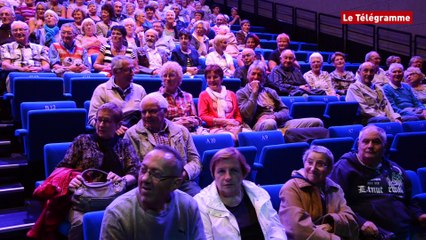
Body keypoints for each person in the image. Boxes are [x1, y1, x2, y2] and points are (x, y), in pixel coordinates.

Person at [58, 102, 140, 240]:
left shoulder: (124, 144)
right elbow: (61, 168)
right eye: (99, 120)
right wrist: (72, 179)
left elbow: (136, 171)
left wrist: (123, 179)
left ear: (118, 125)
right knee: (82, 222)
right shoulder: (82, 141)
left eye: (106, 121)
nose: (101, 125)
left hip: (115, 197)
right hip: (83, 200)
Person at [330, 125, 426, 239]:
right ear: (358, 145)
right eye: (365, 141)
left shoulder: (396, 170)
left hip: (404, 231)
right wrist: (361, 222)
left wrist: (419, 215)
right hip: (370, 234)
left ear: (385, 147)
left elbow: (408, 202)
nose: (370, 146)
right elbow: (335, 205)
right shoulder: (343, 169)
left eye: (376, 142)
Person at [100, 145, 206, 239]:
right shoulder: (118, 213)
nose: (145, 179)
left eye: (156, 174)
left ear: (175, 184)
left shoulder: (188, 206)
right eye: (143, 170)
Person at [194, 147, 287, 239]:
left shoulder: (258, 192)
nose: (228, 177)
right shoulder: (200, 203)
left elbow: (276, 229)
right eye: (221, 171)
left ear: (243, 173)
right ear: (213, 175)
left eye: (234, 171)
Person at [124, 92, 202, 196]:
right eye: (143, 112)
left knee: (199, 201)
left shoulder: (181, 131)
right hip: (150, 185)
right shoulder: (132, 134)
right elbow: (132, 168)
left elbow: (195, 161)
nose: (147, 116)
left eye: (152, 111)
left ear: (164, 112)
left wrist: (183, 174)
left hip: (180, 182)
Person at [279, 145, 359, 240]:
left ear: (329, 169)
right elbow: (297, 230)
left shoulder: (335, 189)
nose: (313, 168)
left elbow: (350, 220)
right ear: (304, 163)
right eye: (310, 162)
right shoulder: (291, 188)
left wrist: (331, 225)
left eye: (320, 164)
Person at [237, 61, 323, 131]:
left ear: (264, 77)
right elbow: (246, 115)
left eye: (260, 75)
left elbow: (285, 110)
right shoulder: (241, 93)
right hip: (259, 125)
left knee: (317, 122)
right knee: (270, 123)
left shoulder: (270, 91)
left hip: (280, 122)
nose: (256, 77)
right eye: (253, 74)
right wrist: (254, 93)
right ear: (248, 75)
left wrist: (274, 116)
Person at [89, 56, 146, 135]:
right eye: (128, 70)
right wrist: (113, 128)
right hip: (110, 134)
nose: (132, 73)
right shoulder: (101, 90)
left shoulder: (140, 90)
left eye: (132, 69)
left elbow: (146, 116)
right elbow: (93, 118)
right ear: (115, 71)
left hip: (136, 133)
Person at [1, 21, 50, 92]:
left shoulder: (40, 48)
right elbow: (5, 65)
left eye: (21, 29)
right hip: (17, 74)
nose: (18, 32)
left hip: (38, 74)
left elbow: (47, 66)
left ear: (28, 31)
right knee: (11, 77)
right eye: (15, 30)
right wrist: (20, 69)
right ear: (12, 33)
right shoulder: (6, 47)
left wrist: (39, 68)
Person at [198, 65, 245, 140]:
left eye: (215, 77)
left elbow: (237, 115)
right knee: (230, 137)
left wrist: (237, 122)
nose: (212, 80)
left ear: (222, 79)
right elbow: (203, 116)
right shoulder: (203, 95)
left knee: (248, 135)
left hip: (233, 126)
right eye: (209, 77)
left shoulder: (231, 94)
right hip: (215, 128)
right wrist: (223, 121)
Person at [157, 61, 202, 132]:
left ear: (179, 78)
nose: (168, 79)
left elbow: (196, 118)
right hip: (167, 134)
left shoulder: (188, 96)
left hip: (189, 132)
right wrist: (175, 124)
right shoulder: (156, 98)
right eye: (165, 76)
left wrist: (191, 122)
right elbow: (156, 124)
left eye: (171, 75)